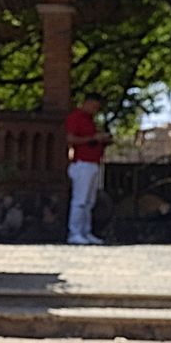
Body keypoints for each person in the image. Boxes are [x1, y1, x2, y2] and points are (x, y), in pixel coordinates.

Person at [64, 95, 109, 245]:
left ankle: (85, 231)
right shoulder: (75, 117)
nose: (95, 110)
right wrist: (92, 139)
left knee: (90, 201)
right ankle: (74, 232)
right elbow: (70, 139)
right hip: (82, 163)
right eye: (94, 106)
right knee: (80, 200)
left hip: (94, 163)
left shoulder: (91, 120)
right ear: (86, 103)